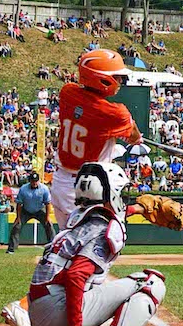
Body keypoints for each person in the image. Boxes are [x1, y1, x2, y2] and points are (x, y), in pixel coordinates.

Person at [0, 162, 168, 326]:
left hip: (38, 311)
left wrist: (139, 209)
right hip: (57, 312)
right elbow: (76, 276)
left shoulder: (77, 217)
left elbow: (112, 213)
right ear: (110, 192)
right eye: (119, 192)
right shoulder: (103, 228)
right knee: (151, 283)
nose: (122, 198)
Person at [52, 49, 142, 228]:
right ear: (102, 79)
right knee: (93, 246)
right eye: (116, 77)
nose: (120, 81)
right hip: (86, 186)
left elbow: (86, 110)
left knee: (66, 243)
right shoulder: (114, 113)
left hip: (61, 182)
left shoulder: (67, 92)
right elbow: (134, 136)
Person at [9, 172, 54, 254]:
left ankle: (53, 247)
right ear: (30, 181)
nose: (34, 183)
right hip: (25, 210)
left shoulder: (44, 189)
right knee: (16, 226)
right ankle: (11, 249)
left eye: (36, 181)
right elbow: (19, 204)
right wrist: (18, 217)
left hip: (40, 210)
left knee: (49, 225)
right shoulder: (23, 189)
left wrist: (47, 217)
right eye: (33, 181)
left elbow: (48, 204)